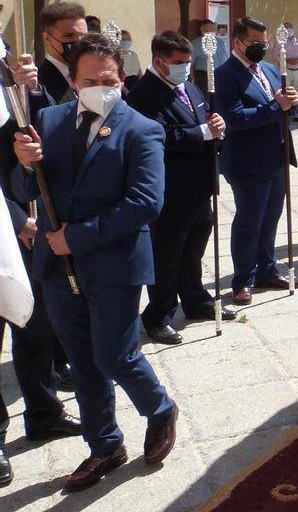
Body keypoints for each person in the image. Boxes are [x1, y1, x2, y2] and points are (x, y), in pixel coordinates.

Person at [11, 33, 178, 492]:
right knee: (83, 364)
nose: (100, 86)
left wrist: (78, 238)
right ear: (73, 79)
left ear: (121, 78)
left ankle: (160, 409)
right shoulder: (48, 119)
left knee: (115, 354)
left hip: (114, 264)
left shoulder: (143, 129)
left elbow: (146, 201)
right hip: (57, 269)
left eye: (108, 79)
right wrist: (23, 164)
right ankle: (104, 443)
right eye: (89, 80)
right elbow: (25, 191)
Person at [0, 52, 82, 488]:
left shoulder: (10, 72)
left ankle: (44, 411)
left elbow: (36, 131)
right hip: (7, 223)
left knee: (35, 323)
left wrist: (29, 89)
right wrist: (16, 220)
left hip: (27, 215)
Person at [126, 31, 235, 345]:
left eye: (188, 62)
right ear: (159, 62)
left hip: (199, 185)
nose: (185, 68)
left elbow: (204, 120)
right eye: (178, 63)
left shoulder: (189, 87)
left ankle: (195, 298)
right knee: (167, 253)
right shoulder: (143, 93)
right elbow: (157, 134)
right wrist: (202, 132)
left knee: (194, 245)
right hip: (170, 188)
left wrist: (217, 129)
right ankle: (158, 314)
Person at [214, 17, 298, 305]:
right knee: (249, 221)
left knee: (271, 217)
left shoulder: (269, 69)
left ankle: (267, 268)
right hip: (247, 161)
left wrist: (291, 100)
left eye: (264, 44)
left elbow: (283, 105)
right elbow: (235, 118)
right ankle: (243, 279)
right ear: (238, 42)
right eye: (255, 44)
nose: (261, 49)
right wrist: (276, 105)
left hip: (277, 156)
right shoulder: (226, 74)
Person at [38, 2, 88, 104]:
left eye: (83, 36)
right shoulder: (39, 84)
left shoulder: (95, 75)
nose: (79, 42)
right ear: (47, 38)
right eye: (69, 36)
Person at [274, 22, 298, 122]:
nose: (288, 30)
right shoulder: (279, 42)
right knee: (284, 92)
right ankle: (285, 113)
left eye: (290, 28)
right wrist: (286, 60)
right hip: (285, 71)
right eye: (286, 28)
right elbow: (275, 56)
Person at [190, 19, 229, 93]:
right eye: (206, 30)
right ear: (201, 31)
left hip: (220, 78)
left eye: (211, 29)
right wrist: (192, 79)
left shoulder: (222, 43)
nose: (209, 32)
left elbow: (227, 60)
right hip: (204, 79)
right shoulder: (196, 43)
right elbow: (191, 64)